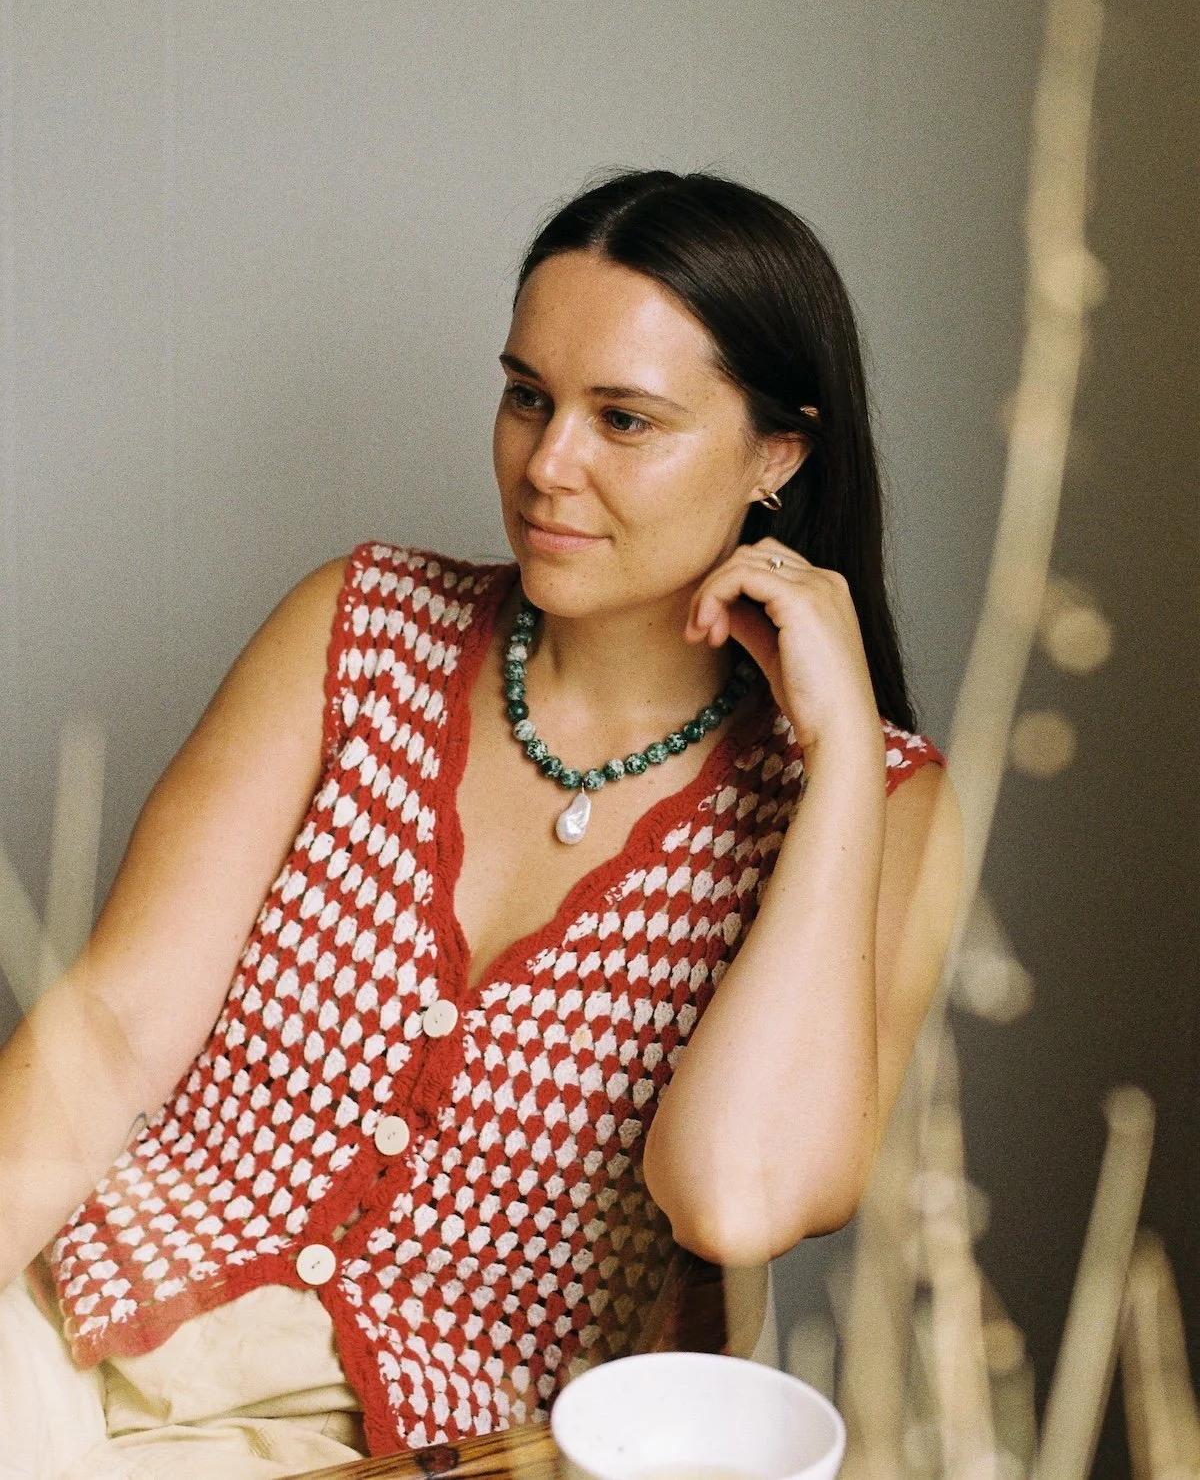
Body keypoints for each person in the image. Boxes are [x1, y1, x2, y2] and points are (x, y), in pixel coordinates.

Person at [0, 170, 960, 1477]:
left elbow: (733, 1196)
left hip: (417, 1447)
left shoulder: (880, 805)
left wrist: (838, 754)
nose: (547, 465)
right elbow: (111, 1033)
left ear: (777, 454)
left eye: (624, 419)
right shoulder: (360, 625)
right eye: (527, 397)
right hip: (64, 1340)